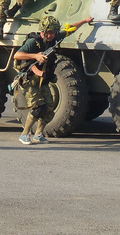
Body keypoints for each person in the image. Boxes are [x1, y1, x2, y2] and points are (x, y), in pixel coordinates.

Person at [14, 15, 93, 145]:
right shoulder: (33, 42)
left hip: (43, 79)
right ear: (43, 32)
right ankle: (25, 134)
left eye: (53, 33)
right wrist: (36, 56)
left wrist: (84, 21)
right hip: (30, 80)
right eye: (49, 33)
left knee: (50, 108)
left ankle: (38, 134)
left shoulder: (54, 38)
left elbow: (70, 29)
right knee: (37, 108)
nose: (51, 35)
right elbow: (18, 55)